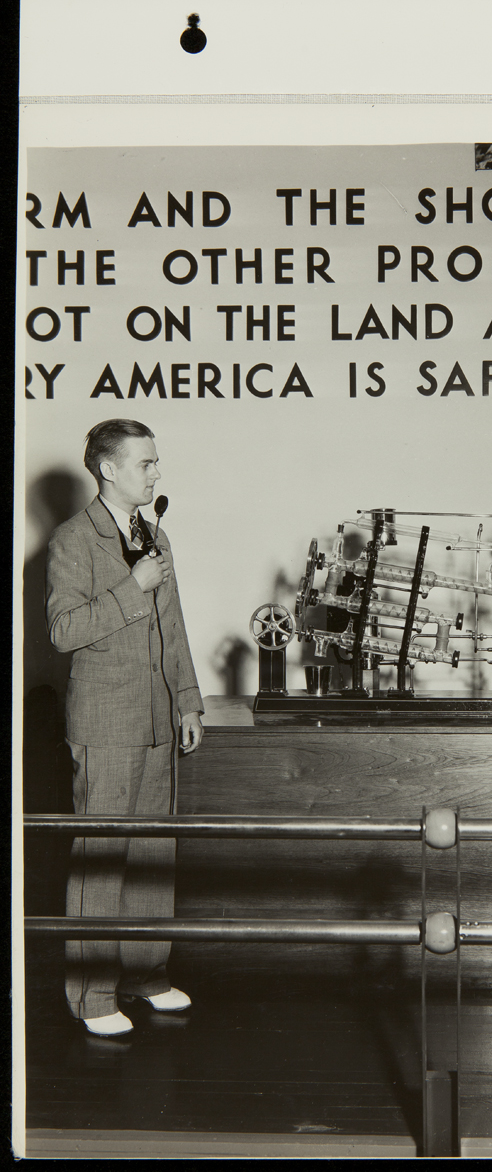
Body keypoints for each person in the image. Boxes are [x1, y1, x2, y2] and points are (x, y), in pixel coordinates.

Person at [45, 419, 204, 1037]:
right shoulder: (71, 540)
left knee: (152, 856)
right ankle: (90, 995)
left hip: (159, 717)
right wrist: (132, 588)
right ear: (109, 469)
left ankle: (146, 976)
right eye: (146, 464)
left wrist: (188, 701)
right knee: (104, 857)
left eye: (156, 463)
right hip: (106, 721)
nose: (156, 473)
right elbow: (63, 631)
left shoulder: (156, 536)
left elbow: (175, 629)